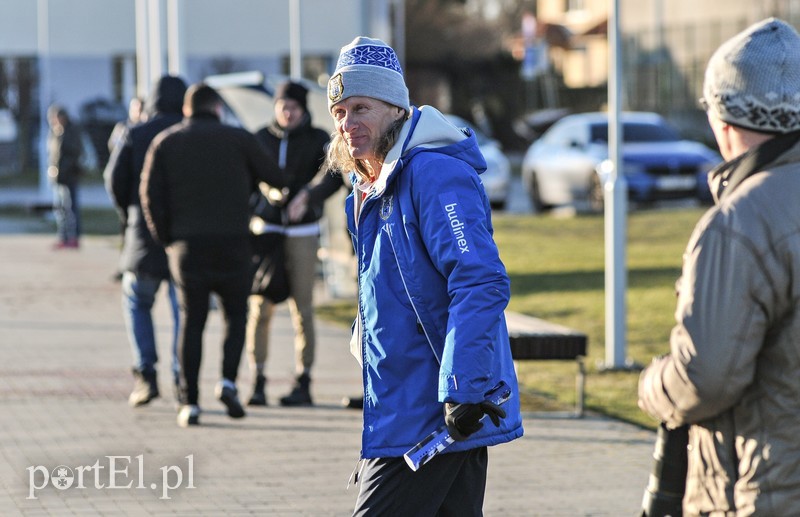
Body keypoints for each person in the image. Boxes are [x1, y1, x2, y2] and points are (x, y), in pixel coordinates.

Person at [325, 36, 523, 515]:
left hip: (436, 410)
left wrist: (463, 388)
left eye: (361, 108)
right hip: (402, 403)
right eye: (340, 112)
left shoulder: (433, 174)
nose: (348, 124)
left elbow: (478, 280)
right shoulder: (367, 188)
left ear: (396, 109)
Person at [638, 18, 800, 515]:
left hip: (768, 489)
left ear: (723, 119)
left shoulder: (742, 221)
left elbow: (705, 377)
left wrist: (651, 385)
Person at [140, 83, 285, 427]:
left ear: (187, 109)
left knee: (192, 321)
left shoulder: (166, 142)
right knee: (235, 316)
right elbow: (275, 177)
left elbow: (149, 195)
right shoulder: (239, 139)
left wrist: (167, 238)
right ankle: (228, 382)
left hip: (187, 247)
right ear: (218, 108)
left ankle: (189, 402)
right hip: (234, 244)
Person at [245, 80, 332, 407]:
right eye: (283, 106)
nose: (287, 113)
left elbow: (332, 175)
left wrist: (307, 196)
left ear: (303, 108)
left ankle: (303, 380)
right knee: (259, 307)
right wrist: (266, 194)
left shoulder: (318, 139)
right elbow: (247, 177)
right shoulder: (259, 138)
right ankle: (257, 378)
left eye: (293, 107)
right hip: (265, 232)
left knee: (303, 308)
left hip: (302, 233)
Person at [104, 75, 187, 408]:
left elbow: (113, 179)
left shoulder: (135, 133)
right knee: (184, 310)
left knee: (137, 301)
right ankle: (183, 378)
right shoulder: (189, 133)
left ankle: (145, 374)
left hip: (143, 235)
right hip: (183, 236)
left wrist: (130, 213)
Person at [47, 104, 83, 249]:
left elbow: (74, 152)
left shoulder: (71, 131)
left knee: (71, 208)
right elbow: (53, 155)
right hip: (58, 177)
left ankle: (74, 237)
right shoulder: (55, 132)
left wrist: (64, 169)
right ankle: (63, 237)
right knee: (60, 209)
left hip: (69, 176)